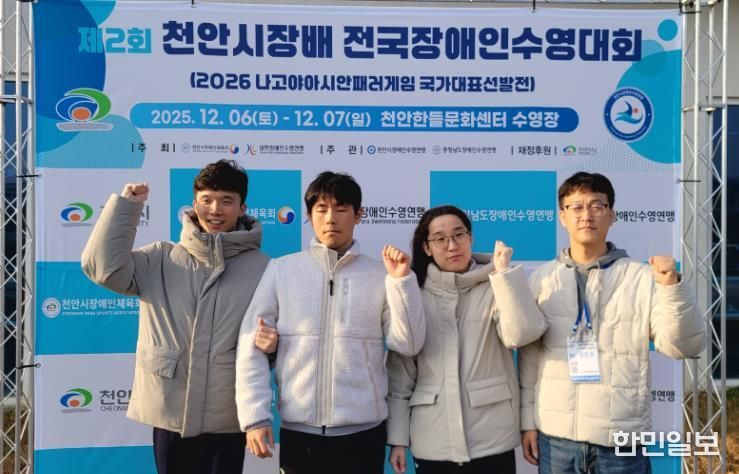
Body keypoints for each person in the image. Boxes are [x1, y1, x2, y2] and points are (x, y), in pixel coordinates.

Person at [81, 159, 270, 474]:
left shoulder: (264, 268)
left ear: (242, 208)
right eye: (207, 200)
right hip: (170, 412)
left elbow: (273, 340)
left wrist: (271, 347)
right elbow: (102, 269)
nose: (215, 209)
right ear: (194, 205)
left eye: (226, 201)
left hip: (227, 414)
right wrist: (127, 208)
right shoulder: (160, 257)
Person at [235, 171, 426, 474]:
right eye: (321, 209)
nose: (330, 219)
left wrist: (402, 282)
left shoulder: (381, 275)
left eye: (341, 209)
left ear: (358, 215)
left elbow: (409, 344)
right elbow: (251, 347)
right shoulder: (282, 270)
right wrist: (255, 418)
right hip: (300, 434)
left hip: (364, 434)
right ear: (309, 215)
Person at [519, 172, 706, 473]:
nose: (586, 215)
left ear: (612, 215)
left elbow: (683, 345)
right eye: (576, 207)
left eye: (597, 206)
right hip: (557, 439)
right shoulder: (542, 279)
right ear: (562, 217)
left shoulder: (642, 278)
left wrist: (672, 288)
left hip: (622, 439)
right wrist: (528, 422)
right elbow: (529, 359)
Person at [386, 205, 548, 474]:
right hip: (433, 441)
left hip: (491, 439)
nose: (452, 246)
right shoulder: (414, 295)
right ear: (427, 247)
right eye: (440, 239)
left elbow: (521, 335)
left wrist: (505, 276)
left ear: (470, 238)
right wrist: (398, 440)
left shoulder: (496, 285)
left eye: (459, 235)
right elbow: (400, 376)